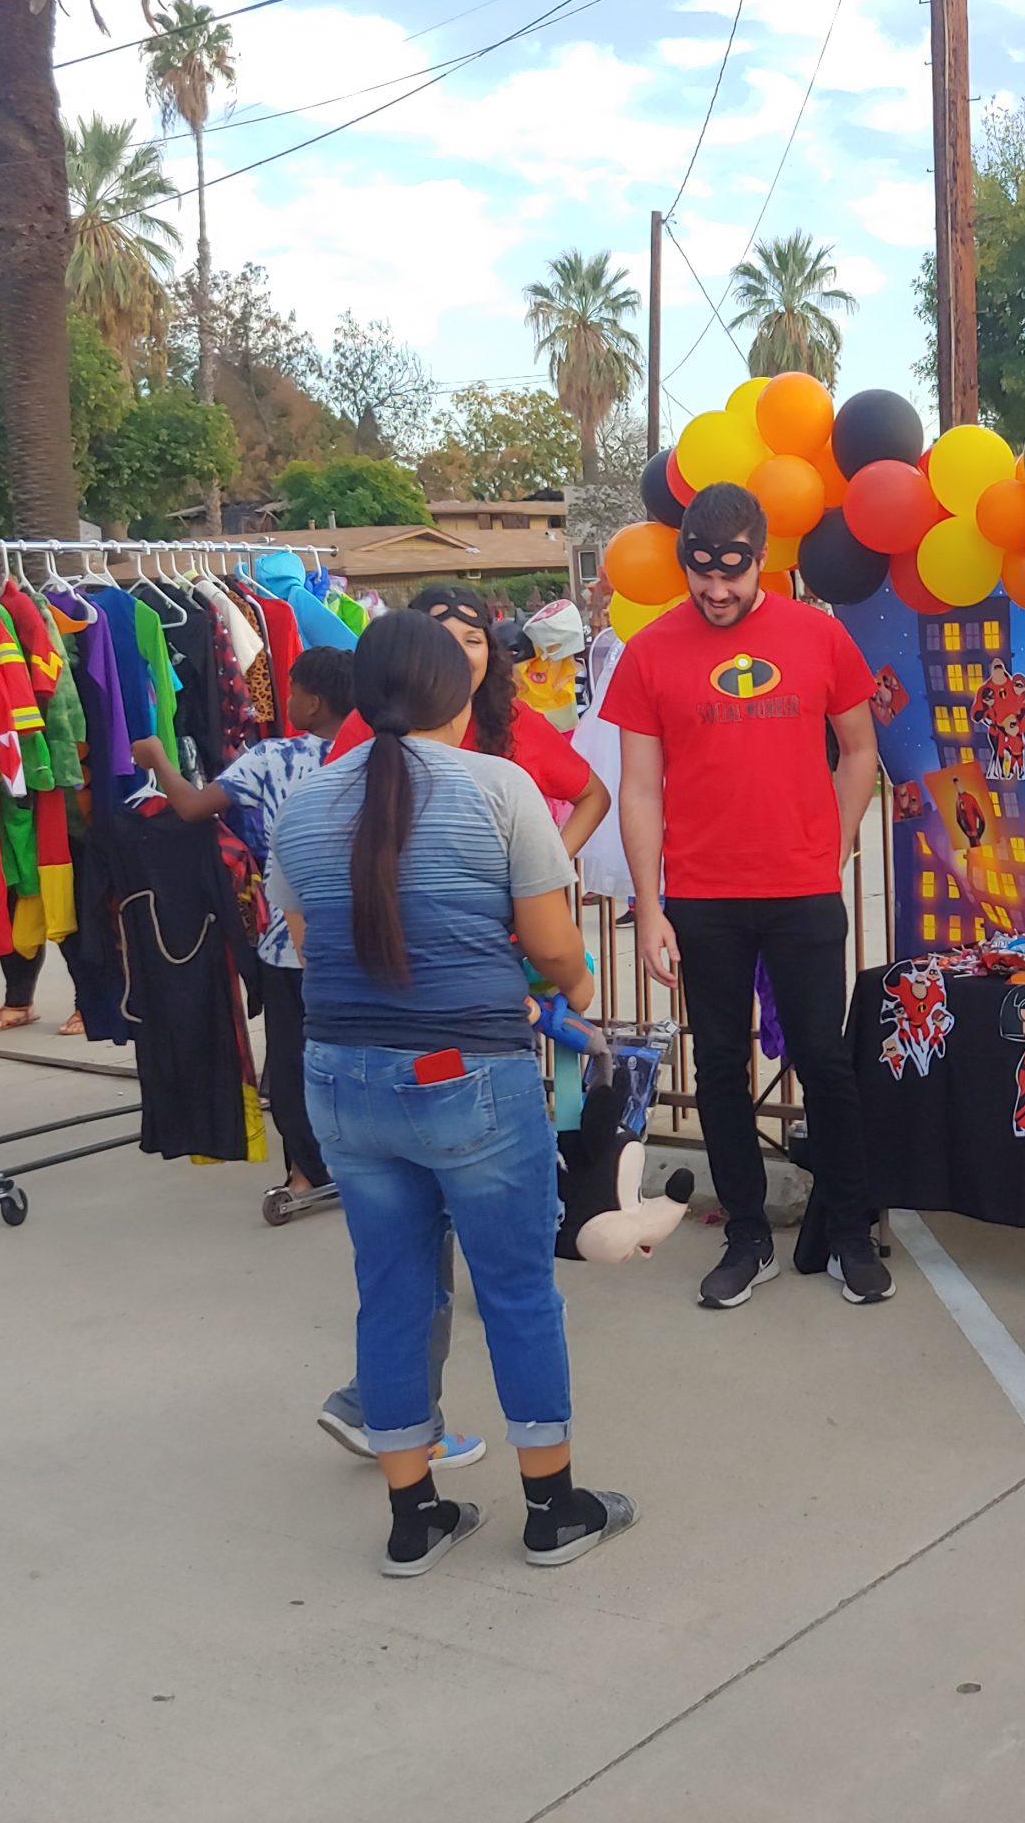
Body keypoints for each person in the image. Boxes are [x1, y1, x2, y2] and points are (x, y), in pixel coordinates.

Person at [267, 610, 632, 1577]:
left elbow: (306, 946)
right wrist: (578, 994)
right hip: (467, 1073)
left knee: (390, 1291)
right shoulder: (499, 788)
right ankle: (552, 1510)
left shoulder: (304, 805)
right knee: (516, 1290)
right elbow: (553, 948)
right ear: (459, 696)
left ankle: (413, 1518)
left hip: (340, 1080)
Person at [608, 482, 890, 1308]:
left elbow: (859, 749)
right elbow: (639, 788)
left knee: (826, 1064)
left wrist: (830, 847)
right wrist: (651, 907)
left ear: (763, 559)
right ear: (684, 563)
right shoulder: (651, 651)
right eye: (702, 575)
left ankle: (846, 1231)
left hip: (800, 892)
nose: (718, 591)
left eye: (733, 573)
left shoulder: (819, 635)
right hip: (702, 897)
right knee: (722, 1069)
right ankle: (747, 1234)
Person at [132, 646, 355, 1207]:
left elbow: (192, 807)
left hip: (288, 942)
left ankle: (307, 1172)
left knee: (291, 1062)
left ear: (314, 699)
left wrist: (159, 759)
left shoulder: (273, 758)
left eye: (293, 691)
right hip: (358, 940)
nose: (285, 700)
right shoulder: (374, 755)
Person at [328, 583, 611, 857]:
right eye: (442, 640)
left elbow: (593, 796)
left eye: (472, 641)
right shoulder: (369, 721)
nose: (458, 655)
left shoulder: (513, 720)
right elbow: (328, 813)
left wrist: (548, 871)